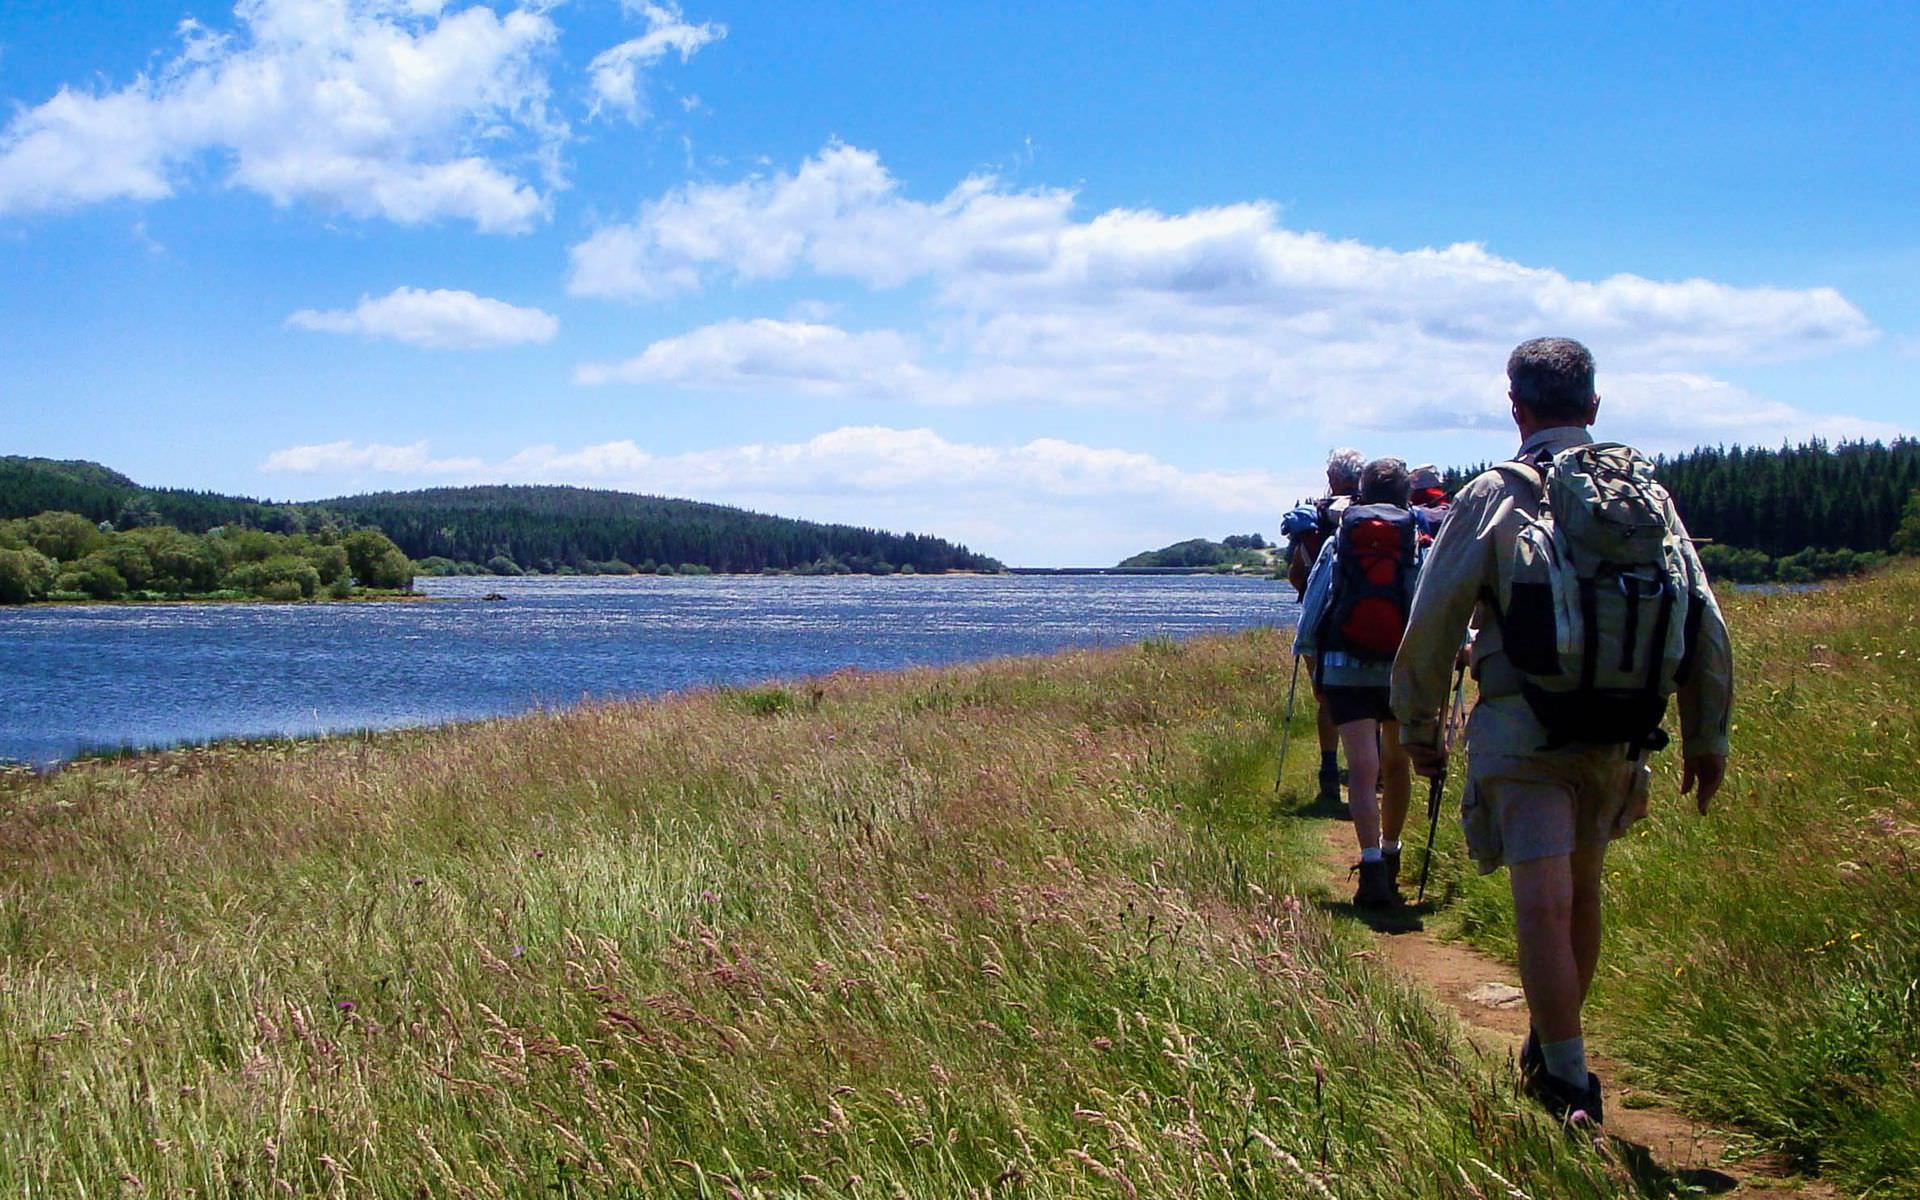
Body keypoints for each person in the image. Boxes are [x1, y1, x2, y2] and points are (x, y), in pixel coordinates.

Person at [1391, 337, 1733, 1126]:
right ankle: (1557, 1045)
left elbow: (1435, 617)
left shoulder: (1495, 495)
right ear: (1594, 406)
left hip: (1525, 726)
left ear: (1516, 407)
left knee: (1540, 904)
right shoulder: (1648, 498)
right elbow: (1702, 616)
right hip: (1620, 730)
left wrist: (1419, 727)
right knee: (1582, 893)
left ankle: (1567, 1081)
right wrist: (1707, 735)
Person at [1295, 457, 1421, 907]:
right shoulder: (1416, 542)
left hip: (1347, 666)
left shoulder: (1340, 540)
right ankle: (1391, 855)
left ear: (1361, 494)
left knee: (1363, 772)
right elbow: (1430, 602)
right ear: (1407, 496)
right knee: (1396, 765)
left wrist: (1311, 660)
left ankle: (1369, 869)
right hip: (1400, 667)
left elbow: (1315, 603)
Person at [1283, 448, 1364, 804]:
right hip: (1366, 618)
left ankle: (1329, 774)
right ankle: (1369, 772)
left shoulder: (1312, 524)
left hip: (1321, 625)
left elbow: (1296, 576)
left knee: (1327, 699)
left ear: (1332, 478)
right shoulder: (1376, 517)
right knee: (1370, 696)